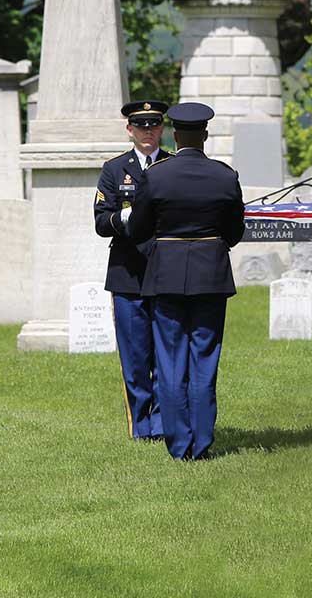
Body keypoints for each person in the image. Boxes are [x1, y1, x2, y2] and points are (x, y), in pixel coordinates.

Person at [124, 103, 244, 460]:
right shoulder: (224, 176)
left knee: (171, 361)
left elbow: (138, 229)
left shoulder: (157, 176)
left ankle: (178, 445)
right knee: (204, 359)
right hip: (210, 275)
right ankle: (203, 443)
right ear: (204, 135)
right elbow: (235, 232)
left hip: (167, 276)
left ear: (175, 134)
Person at [93, 100, 170, 441]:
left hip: (167, 268)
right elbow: (100, 220)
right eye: (140, 125)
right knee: (136, 356)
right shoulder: (114, 169)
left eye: (154, 124)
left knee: (166, 351)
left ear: (163, 128)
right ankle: (141, 426)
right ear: (129, 130)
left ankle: (163, 421)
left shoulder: (172, 164)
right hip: (128, 271)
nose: (148, 131)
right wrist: (124, 219)